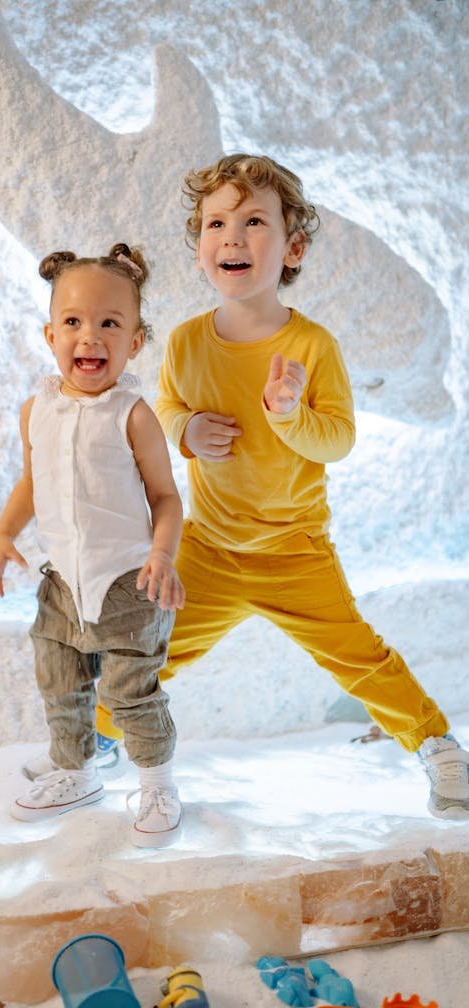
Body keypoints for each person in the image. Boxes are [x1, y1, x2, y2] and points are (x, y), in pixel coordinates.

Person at [151, 151, 468, 820]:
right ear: (199, 248)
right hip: (208, 550)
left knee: (361, 658)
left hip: (295, 551)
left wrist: (288, 416)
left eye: (254, 221)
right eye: (215, 224)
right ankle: (88, 740)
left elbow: (340, 439)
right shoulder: (183, 343)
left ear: (292, 248)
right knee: (146, 652)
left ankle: (437, 745)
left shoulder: (313, 346)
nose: (231, 237)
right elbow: (166, 408)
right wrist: (184, 432)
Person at [0, 243, 185, 846]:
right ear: (50, 334)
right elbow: (32, 482)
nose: (89, 336)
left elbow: (167, 499)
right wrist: (2, 535)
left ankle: (157, 781)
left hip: (129, 582)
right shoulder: (34, 410)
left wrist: (162, 554)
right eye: (73, 321)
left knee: (128, 692)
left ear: (136, 342)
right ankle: (75, 771)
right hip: (61, 583)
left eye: (109, 323)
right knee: (59, 680)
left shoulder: (134, 415)